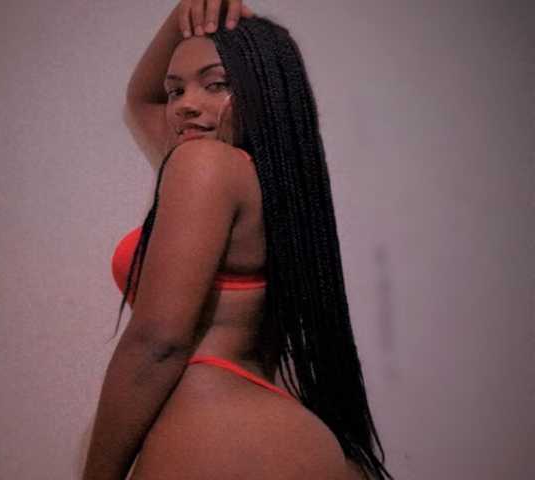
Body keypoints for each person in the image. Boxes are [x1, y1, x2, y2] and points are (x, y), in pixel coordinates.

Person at [83, 1, 394, 479]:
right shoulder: (270, 185)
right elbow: (143, 99)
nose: (185, 104)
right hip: (273, 429)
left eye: (216, 84)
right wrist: (189, 11)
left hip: (213, 433)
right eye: (176, 90)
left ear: (263, 93)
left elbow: (157, 343)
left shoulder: (204, 165)